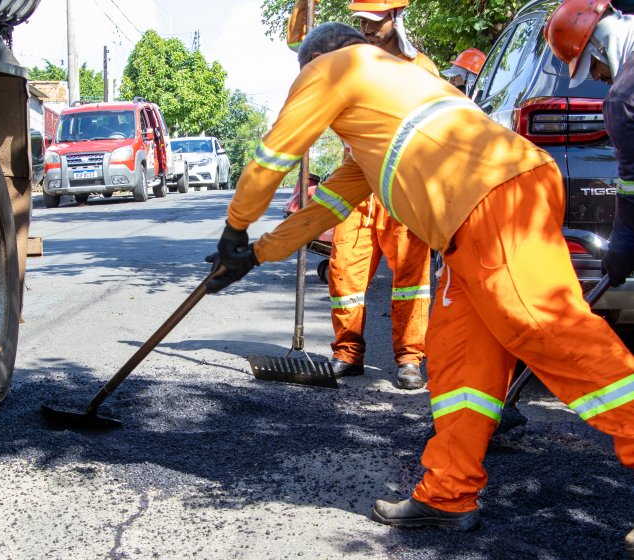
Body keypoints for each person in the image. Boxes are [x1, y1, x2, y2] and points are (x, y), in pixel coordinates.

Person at [208, 21, 634, 549]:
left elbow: (274, 157)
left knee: (548, 332)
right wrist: (255, 254)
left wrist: (234, 226)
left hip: (490, 198)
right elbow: (330, 206)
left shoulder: (336, 65)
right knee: (460, 360)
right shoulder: (391, 104)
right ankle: (447, 494)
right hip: (484, 208)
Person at [546, 0, 634, 553]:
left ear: (598, 47)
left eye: (593, 71)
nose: (598, 81)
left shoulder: (625, 96)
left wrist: (625, 238)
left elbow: (633, 180)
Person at [324, 0, 436, 390]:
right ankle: (347, 353)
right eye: (362, 22)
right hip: (358, 185)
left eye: (375, 22)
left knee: (410, 277)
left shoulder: (420, 69)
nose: (368, 29)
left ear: (395, 18)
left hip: (403, 188)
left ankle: (409, 359)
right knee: (343, 271)